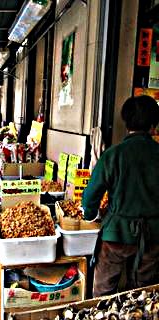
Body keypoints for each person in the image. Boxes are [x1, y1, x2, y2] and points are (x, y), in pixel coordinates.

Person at [82, 95, 159, 297]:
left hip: (116, 234)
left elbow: (90, 196)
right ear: (154, 126)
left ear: (126, 123)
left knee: (103, 289)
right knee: (143, 294)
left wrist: (91, 214)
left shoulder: (114, 154)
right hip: (153, 236)